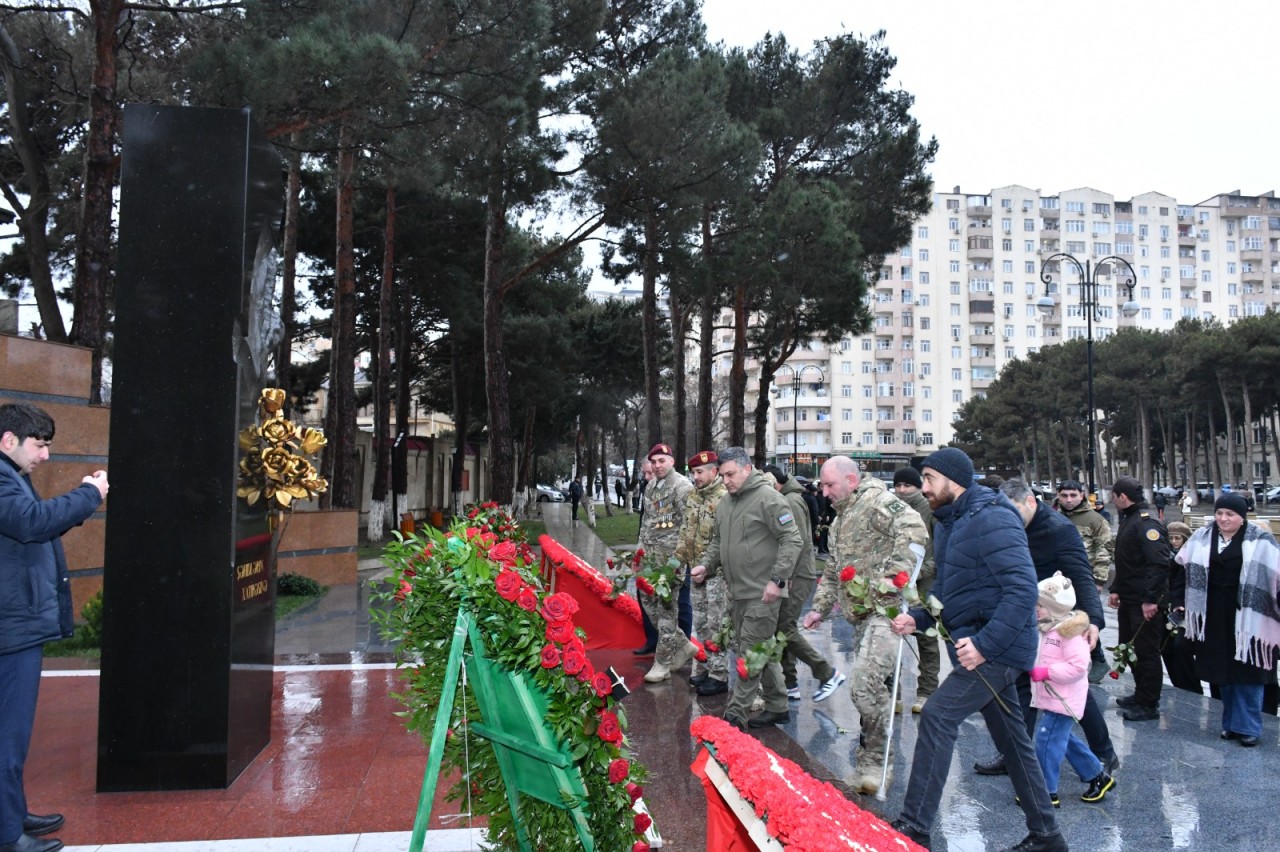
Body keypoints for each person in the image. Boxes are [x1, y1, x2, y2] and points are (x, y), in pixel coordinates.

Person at [889, 448, 1066, 852]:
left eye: (930, 478)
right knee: (1014, 741)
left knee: (936, 715)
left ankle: (914, 829)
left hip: (997, 647)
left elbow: (1021, 590)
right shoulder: (952, 520)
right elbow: (952, 591)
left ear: (955, 479)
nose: (924, 487)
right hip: (978, 642)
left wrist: (986, 646)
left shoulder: (993, 516)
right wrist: (918, 617)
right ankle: (1047, 836)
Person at [1, 403, 109, 852]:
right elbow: (32, 524)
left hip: (14, 623)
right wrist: (89, 494)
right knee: (9, 734)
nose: (45, 455)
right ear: (9, 441)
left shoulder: (12, 477)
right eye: (40, 445)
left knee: (11, 734)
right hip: (11, 628)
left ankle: (10, 812)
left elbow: (37, 525)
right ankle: (7, 835)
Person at [973, 479, 1119, 779]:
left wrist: (1093, 619)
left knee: (1068, 691)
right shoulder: (1005, 525)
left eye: (1013, 512)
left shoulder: (1058, 529)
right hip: (1019, 616)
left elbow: (1081, 574)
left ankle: (1104, 753)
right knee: (1020, 688)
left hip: (1054, 621)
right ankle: (1016, 755)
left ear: (1030, 502)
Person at [804, 456, 927, 795]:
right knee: (870, 688)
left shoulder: (876, 501)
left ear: (851, 480)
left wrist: (893, 578)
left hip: (886, 613)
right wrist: (818, 608)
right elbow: (832, 571)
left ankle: (877, 760)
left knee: (863, 684)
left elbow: (915, 530)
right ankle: (870, 759)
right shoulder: (842, 519)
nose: (823, 491)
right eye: (823, 486)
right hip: (860, 615)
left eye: (829, 485)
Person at [692, 447, 803, 730]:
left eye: (730, 474)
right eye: (723, 474)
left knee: (749, 657)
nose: (726, 480)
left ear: (747, 468)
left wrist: (777, 580)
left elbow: (792, 540)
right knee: (758, 651)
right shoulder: (726, 503)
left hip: (763, 593)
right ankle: (778, 706)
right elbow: (719, 542)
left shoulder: (769, 499)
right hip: (738, 592)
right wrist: (706, 565)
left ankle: (734, 718)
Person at [1175, 493, 1280, 747]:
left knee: (1248, 672)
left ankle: (1248, 728)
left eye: (1230, 514)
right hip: (1211, 615)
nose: (1223, 518)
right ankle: (1230, 724)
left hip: (1248, 619)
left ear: (1242, 518)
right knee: (1222, 672)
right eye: (1220, 513)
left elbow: (1276, 575)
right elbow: (1180, 571)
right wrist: (1178, 600)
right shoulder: (1201, 538)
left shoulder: (1261, 540)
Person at [1028, 573, 1116, 806]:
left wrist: (1046, 672)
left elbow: (1079, 666)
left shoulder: (1069, 633)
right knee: (1062, 738)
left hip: (1064, 697)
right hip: (1052, 695)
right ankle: (1097, 775)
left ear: (1055, 608)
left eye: (1041, 606)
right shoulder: (1048, 627)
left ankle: (1045, 791)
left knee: (1047, 740)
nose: (1036, 609)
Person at [762, 466, 841, 705]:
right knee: (780, 627)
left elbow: (797, 541)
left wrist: (786, 575)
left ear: (775, 483)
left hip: (797, 574)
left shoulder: (791, 501)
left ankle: (827, 673)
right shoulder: (787, 497)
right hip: (791, 574)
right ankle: (790, 684)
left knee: (785, 629)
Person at [1109, 475, 1171, 722]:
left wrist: (1150, 599)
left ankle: (1149, 703)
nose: (1113, 501)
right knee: (1130, 647)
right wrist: (1116, 588)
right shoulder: (1130, 518)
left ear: (1122, 497)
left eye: (1114, 496)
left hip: (1144, 601)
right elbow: (1127, 561)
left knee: (1146, 651)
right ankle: (1139, 693)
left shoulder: (1146, 522)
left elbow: (1158, 563)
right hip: (1130, 597)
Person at [638, 444, 697, 683]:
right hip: (651, 559)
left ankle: (662, 663)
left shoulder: (682, 487)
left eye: (662, 460)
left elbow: (689, 526)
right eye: (654, 462)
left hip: (671, 561)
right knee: (647, 602)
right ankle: (683, 644)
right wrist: (639, 554)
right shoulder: (651, 486)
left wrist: (678, 560)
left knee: (666, 608)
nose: (657, 465)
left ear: (672, 461)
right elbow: (647, 522)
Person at [674, 451, 729, 696]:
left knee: (717, 624)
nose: (694, 477)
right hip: (695, 570)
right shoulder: (695, 497)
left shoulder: (725, 498)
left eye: (699, 472)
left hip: (717, 574)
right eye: (693, 472)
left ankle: (720, 675)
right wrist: (678, 560)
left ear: (713, 472)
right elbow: (686, 532)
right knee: (702, 622)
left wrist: (709, 568)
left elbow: (725, 541)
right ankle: (707, 666)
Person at [1054, 479, 1114, 683]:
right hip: (1056, 580)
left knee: (1084, 621)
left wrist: (1098, 579)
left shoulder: (1094, 519)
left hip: (1083, 578)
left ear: (1082, 495)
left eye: (1073, 495)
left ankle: (1098, 659)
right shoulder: (1053, 516)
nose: (1068, 500)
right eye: (1064, 495)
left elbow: (1105, 549)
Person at [892, 466, 939, 713]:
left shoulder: (931, 511)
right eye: (898, 486)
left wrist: (917, 573)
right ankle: (894, 694)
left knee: (926, 640)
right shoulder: (892, 509)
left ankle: (927, 692)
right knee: (893, 636)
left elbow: (938, 550)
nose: (902, 491)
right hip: (897, 583)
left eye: (907, 486)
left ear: (918, 486)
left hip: (925, 583)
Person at [1162, 521, 1202, 694]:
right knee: (1168, 647)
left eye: (1178, 538)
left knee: (1181, 646)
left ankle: (1191, 687)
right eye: (1170, 538)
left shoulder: (1192, 557)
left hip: (1188, 609)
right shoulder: (1163, 555)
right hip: (1170, 605)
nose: (1174, 542)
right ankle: (1181, 685)